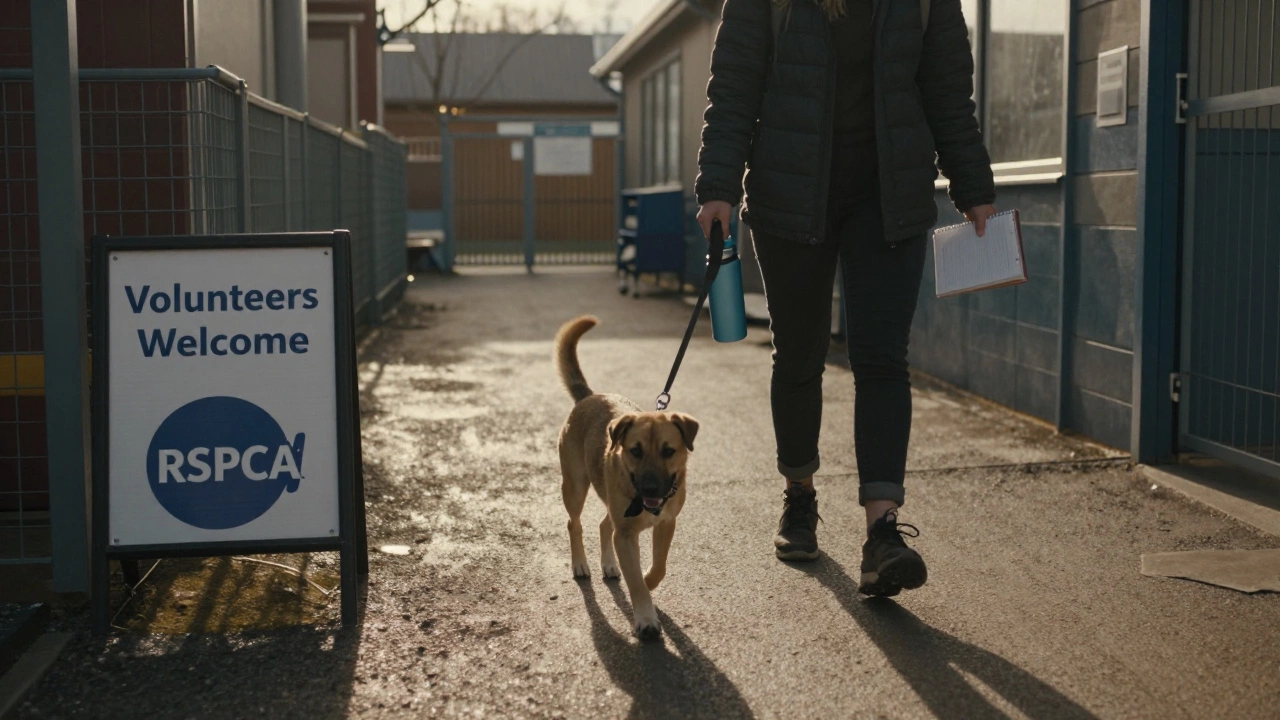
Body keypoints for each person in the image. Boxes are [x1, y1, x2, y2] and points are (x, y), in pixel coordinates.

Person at [695, 0, 996, 597]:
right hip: (789, 195)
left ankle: (883, 533)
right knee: (801, 356)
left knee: (883, 360)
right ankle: (800, 497)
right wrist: (719, 186)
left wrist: (972, 185)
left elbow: (947, 93)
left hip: (889, 200)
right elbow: (734, 87)